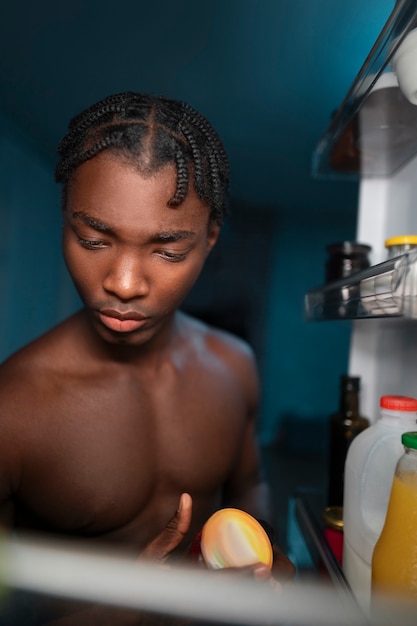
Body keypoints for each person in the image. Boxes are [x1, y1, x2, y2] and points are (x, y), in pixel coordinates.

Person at [0, 92, 294, 624]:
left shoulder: (234, 365)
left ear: (209, 239)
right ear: (65, 220)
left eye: (168, 252)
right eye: (93, 240)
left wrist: (269, 558)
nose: (124, 284)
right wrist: (137, 605)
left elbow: (250, 486)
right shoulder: (12, 410)